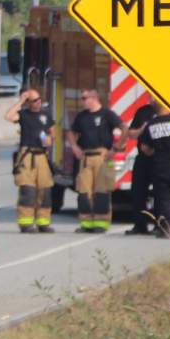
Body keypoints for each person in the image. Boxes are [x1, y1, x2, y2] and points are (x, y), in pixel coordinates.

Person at [68, 89, 125, 234]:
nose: (82, 101)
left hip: (102, 157)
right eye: (82, 98)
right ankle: (86, 223)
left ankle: (101, 223)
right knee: (84, 192)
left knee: (101, 192)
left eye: (85, 98)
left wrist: (116, 149)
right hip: (86, 157)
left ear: (94, 98)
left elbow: (124, 129)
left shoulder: (107, 114)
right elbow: (71, 132)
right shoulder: (82, 116)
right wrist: (74, 147)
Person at [4, 88, 56, 233]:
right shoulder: (23, 114)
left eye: (39, 99)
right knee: (28, 191)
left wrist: (50, 140)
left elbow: (52, 132)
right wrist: (20, 100)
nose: (38, 102)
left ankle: (43, 223)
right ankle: (26, 223)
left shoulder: (45, 115)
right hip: (27, 156)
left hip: (42, 157)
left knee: (44, 191)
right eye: (33, 100)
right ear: (27, 103)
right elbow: (8, 116)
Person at [137, 107, 170, 238]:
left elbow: (144, 147)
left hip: (160, 166)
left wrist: (154, 153)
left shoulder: (152, 124)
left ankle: (165, 229)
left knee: (163, 200)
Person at [124, 99, 160, 235]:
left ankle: (159, 225)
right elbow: (131, 134)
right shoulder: (143, 111)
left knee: (160, 194)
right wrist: (142, 129)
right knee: (137, 191)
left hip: (160, 159)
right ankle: (140, 225)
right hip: (143, 158)